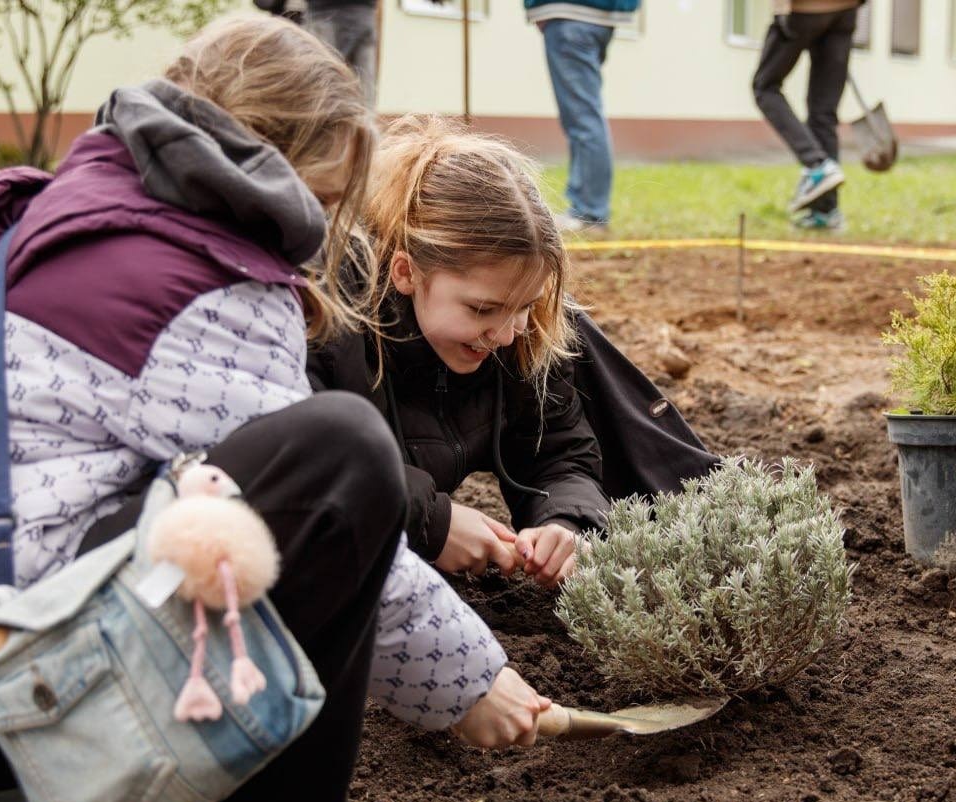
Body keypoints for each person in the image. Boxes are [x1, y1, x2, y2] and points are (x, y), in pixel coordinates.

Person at [0, 17, 547, 802]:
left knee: (130, 491)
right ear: (281, 166)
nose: (319, 227)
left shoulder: (35, 218)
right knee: (339, 462)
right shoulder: (196, 286)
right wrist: (472, 681)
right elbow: (340, 539)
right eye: (321, 198)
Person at [307, 117, 721, 591]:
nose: (507, 333)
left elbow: (558, 449)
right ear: (406, 272)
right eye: (483, 308)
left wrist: (565, 524)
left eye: (526, 305)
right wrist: (430, 523)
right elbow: (304, 460)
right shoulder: (325, 319)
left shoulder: (524, 332)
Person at [525, 0, 640, 236]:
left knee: (583, 118)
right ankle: (587, 208)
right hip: (596, 15)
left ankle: (589, 212)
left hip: (572, 13)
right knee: (584, 116)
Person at [752, 0, 862, 231]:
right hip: (845, 10)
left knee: (765, 87)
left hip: (803, 9)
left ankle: (817, 165)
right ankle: (826, 211)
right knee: (824, 112)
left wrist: (782, 7)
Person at [303, 0, 379, 106]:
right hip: (364, 14)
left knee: (320, 83)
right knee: (365, 86)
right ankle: (366, 121)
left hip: (323, 13)